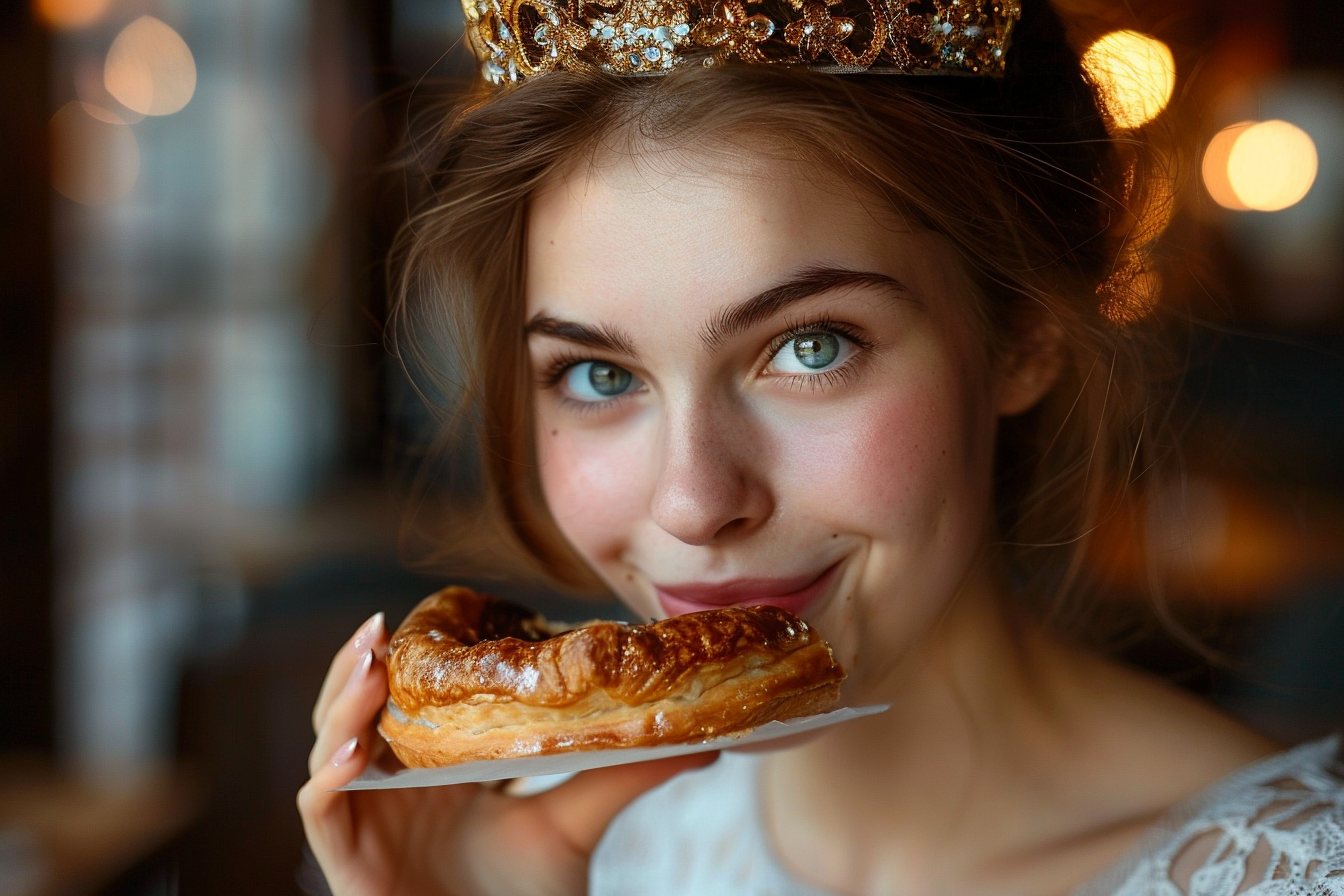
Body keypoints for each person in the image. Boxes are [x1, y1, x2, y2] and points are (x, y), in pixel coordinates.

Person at [297, 0, 1344, 892]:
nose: (696, 501)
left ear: (1024, 332)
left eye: (810, 345)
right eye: (600, 375)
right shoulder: (562, 856)